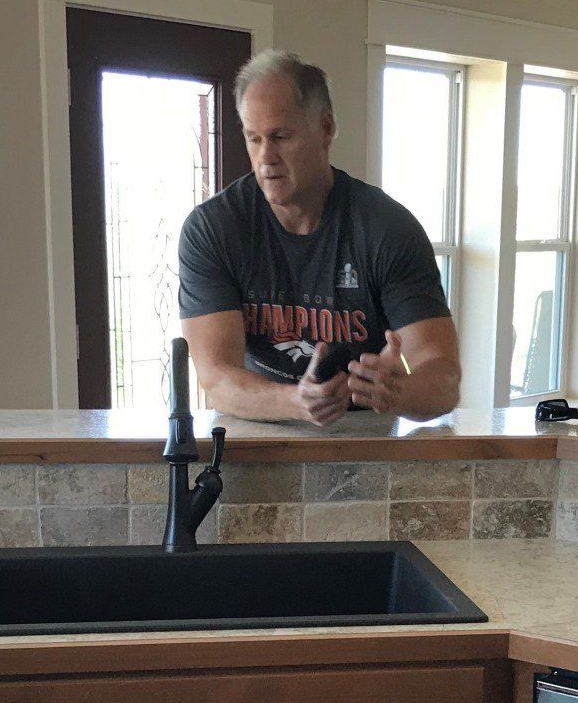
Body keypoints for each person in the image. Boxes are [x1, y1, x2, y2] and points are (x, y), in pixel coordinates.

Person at [178, 50, 461, 425]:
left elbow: (444, 380)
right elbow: (216, 379)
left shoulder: (387, 229)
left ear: (326, 128)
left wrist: (401, 391)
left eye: (280, 136)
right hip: (256, 431)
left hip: (362, 434)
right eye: (254, 138)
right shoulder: (212, 229)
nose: (266, 157)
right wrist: (297, 402)